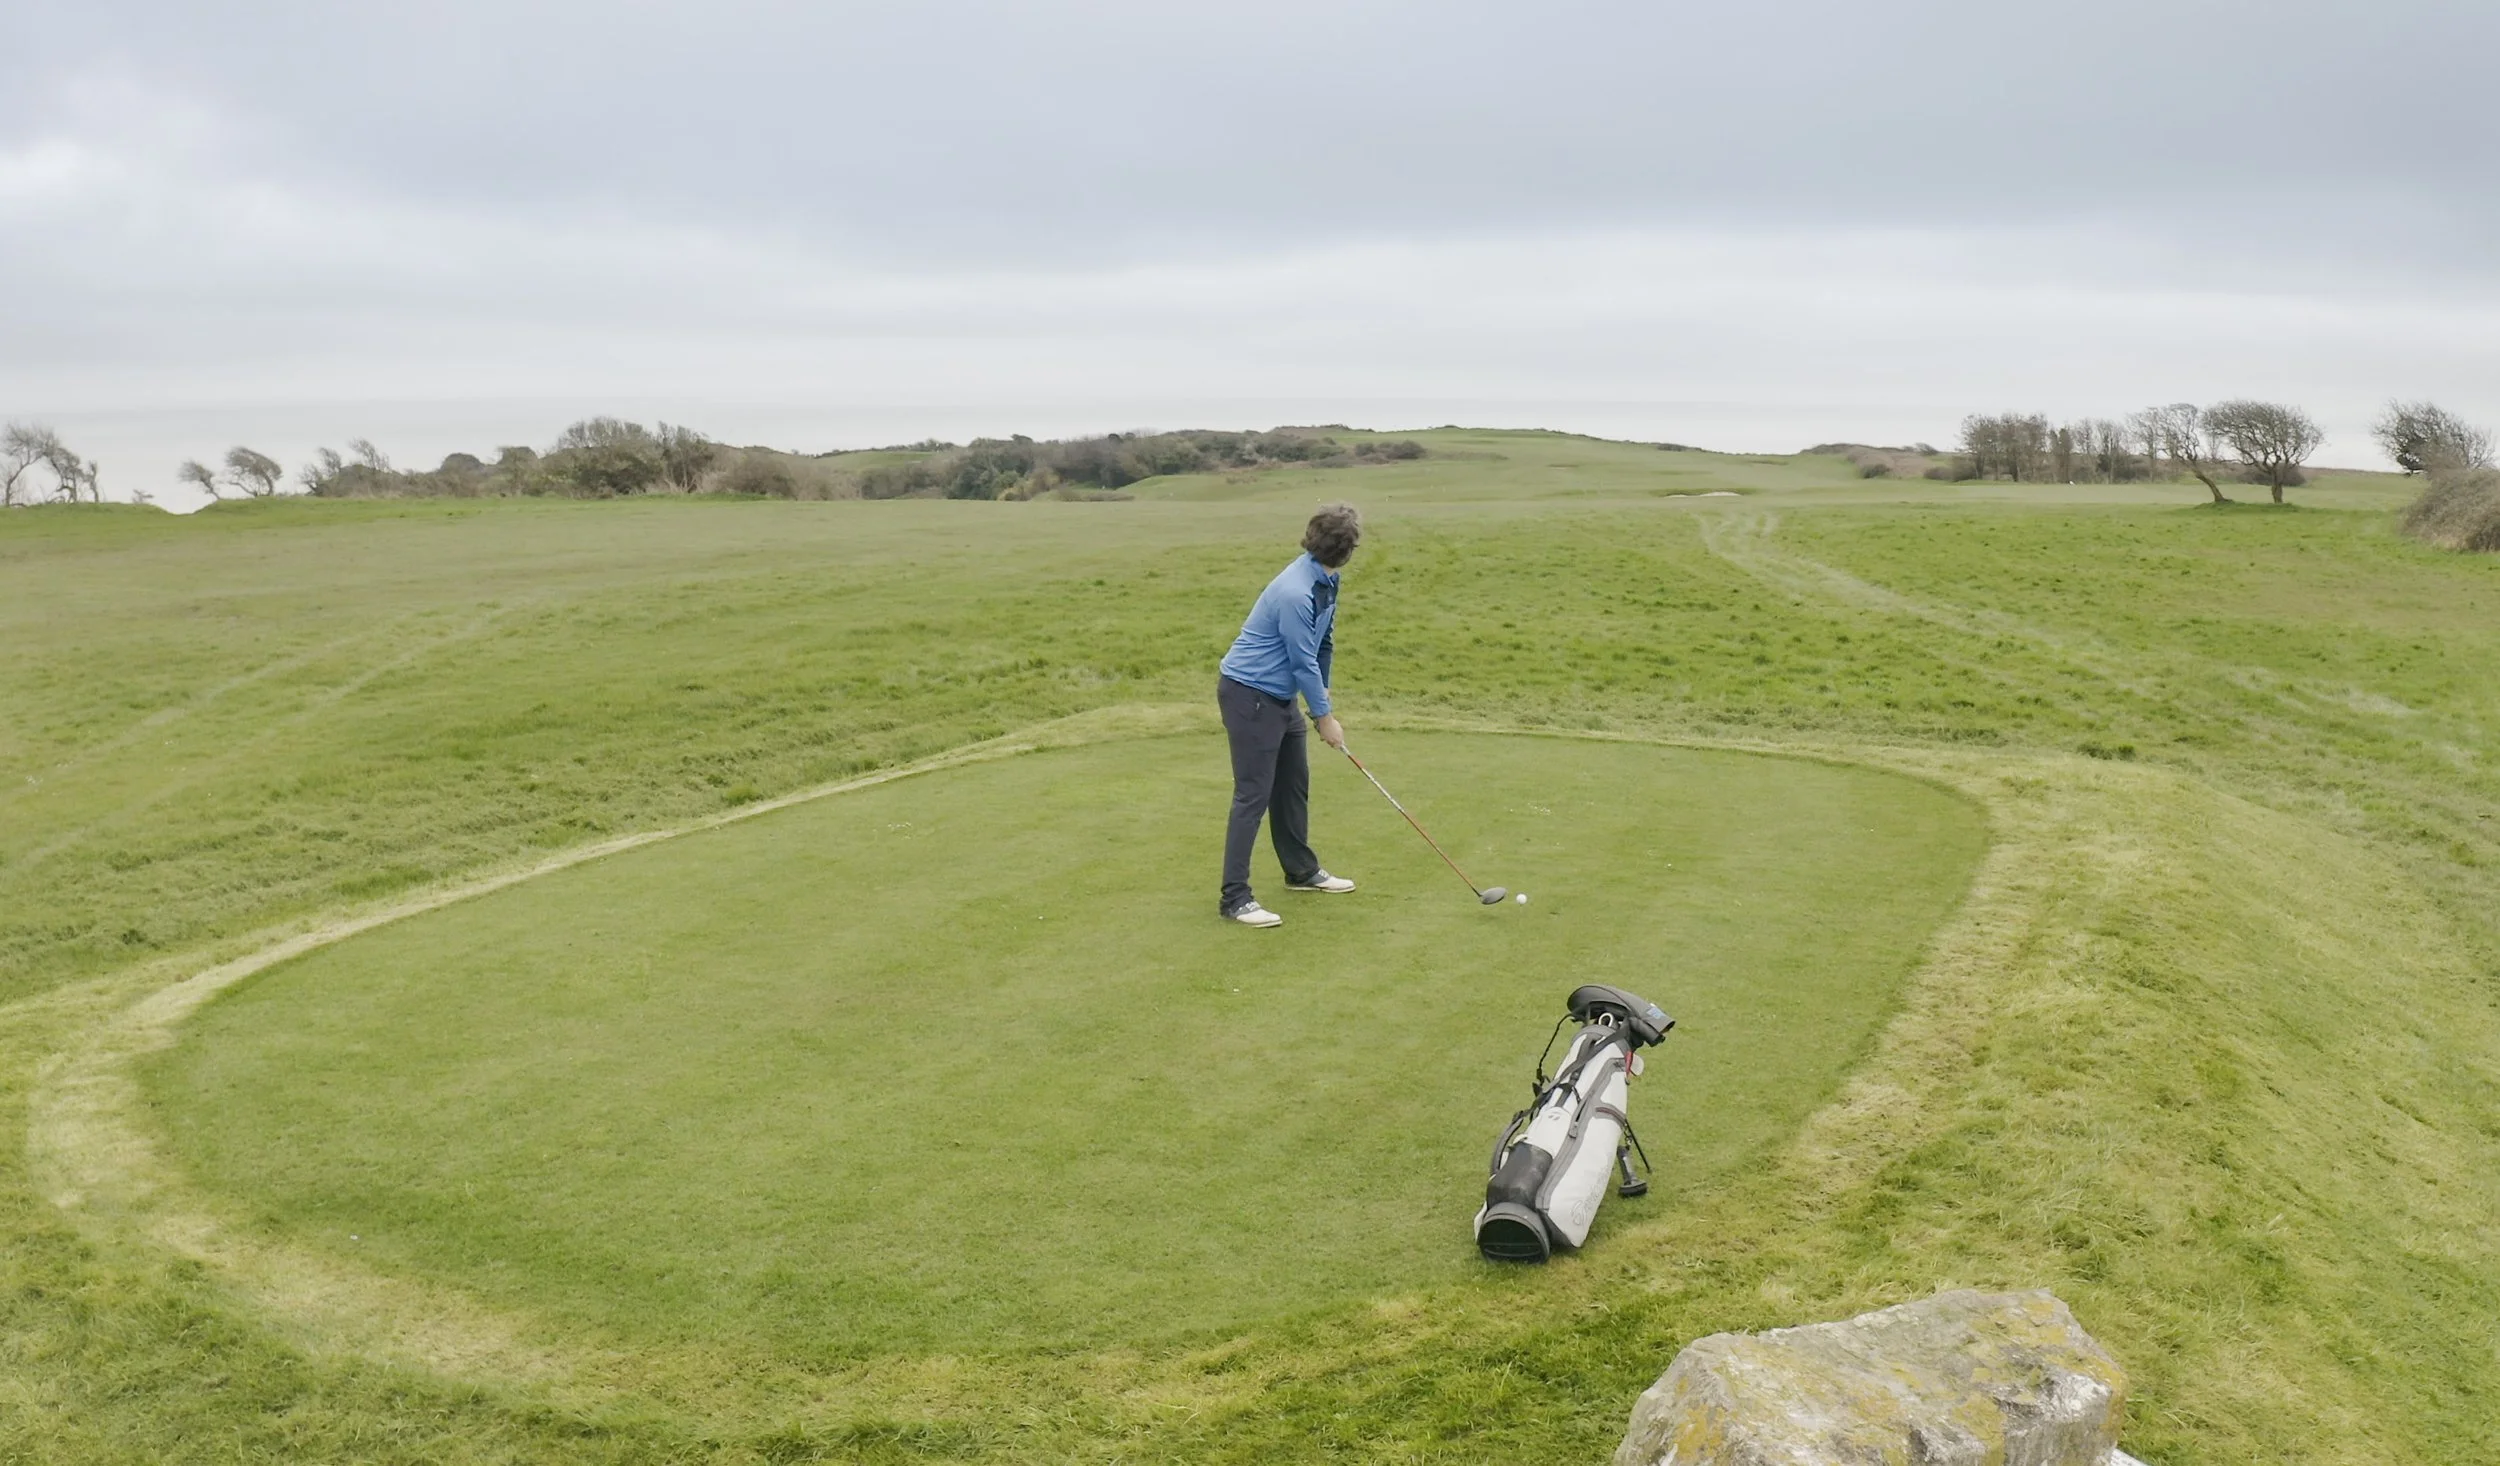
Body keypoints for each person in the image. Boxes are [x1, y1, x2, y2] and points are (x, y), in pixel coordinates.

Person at [1215, 503, 1363, 927]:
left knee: (1292, 785)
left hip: (1279, 697)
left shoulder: (1325, 581)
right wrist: (1324, 716)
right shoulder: (1296, 591)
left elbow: (1323, 642)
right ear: (1347, 550)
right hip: (1250, 695)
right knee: (1252, 795)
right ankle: (1234, 898)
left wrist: (1324, 691)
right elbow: (1301, 660)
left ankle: (1300, 870)